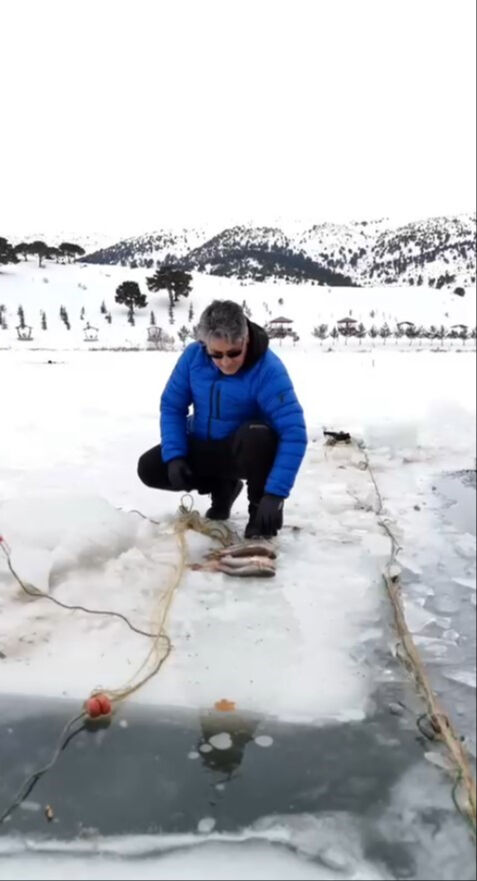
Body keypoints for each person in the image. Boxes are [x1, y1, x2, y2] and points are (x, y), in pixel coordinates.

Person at [137, 300, 307, 539]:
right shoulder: (193, 357)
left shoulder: (268, 369)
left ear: (245, 339)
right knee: (150, 467)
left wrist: (275, 495)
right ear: (204, 345)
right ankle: (223, 488)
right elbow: (172, 406)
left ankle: (257, 509)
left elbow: (294, 432)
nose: (226, 362)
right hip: (204, 444)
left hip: (244, 452)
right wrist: (175, 456)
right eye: (216, 354)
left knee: (258, 435)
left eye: (233, 353)